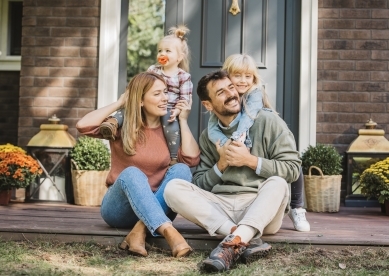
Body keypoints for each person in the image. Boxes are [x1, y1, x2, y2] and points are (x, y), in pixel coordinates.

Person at [164, 70, 301, 272]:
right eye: (221, 92)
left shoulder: (267, 121)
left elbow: (292, 168)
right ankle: (242, 237)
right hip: (221, 209)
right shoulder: (208, 136)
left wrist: (250, 160)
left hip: (261, 208)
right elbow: (200, 182)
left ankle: (232, 242)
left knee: (278, 183)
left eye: (231, 87)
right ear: (207, 105)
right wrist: (221, 164)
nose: (231, 94)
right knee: (172, 188)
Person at [76, 72, 200, 258]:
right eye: (157, 94)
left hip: (157, 206)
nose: (165, 98)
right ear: (140, 100)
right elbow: (83, 125)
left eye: (165, 92)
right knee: (132, 173)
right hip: (119, 210)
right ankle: (170, 232)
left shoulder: (170, 129)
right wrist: (120, 103)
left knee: (181, 170)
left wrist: (183, 120)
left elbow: (191, 160)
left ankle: (139, 232)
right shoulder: (120, 125)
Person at [208, 53, 310, 232]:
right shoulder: (222, 102)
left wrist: (238, 139)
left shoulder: (254, 94)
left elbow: (248, 117)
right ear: (226, 77)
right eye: (237, 75)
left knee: (292, 162)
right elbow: (212, 127)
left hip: (257, 128)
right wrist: (224, 146)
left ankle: (297, 207)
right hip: (230, 197)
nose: (243, 81)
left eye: (248, 76)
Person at [99, 25, 193, 166]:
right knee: (127, 110)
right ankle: (112, 124)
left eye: (168, 51)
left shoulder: (183, 76)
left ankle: (173, 158)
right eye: (160, 51)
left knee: (172, 128)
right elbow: (144, 85)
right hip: (149, 104)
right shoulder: (153, 70)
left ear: (179, 58)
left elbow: (185, 98)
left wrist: (178, 111)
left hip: (169, 108)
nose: (162, 54)